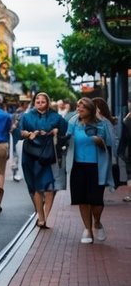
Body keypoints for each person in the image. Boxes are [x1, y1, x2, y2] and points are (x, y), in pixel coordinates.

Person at [65, 97, 114, 244]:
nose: (79, 109)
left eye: (83, 107)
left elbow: (110, 143)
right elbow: (67, 138)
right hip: (78, 165)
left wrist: (100, 142)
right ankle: (87, 229)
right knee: (82, 199)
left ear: (90, 110)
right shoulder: (73, 122)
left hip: (96, 166)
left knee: (96, 201)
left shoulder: (102, 123)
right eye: (78, 107)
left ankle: (97, 222)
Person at [17, 93, 68, 229]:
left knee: (49, 188)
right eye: (37, 101)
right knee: (35, 188)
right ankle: (40, 216)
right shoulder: (26, 116)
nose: (40, 103)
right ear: (34, 103)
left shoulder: (55, 116)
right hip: (30, 155)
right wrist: (29, 134)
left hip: (46, 155)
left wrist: (55, 131)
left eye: (43, 101)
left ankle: (46, 216)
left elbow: (65, 130)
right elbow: (19, 133)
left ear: (48, 102)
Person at [93, 97, 123, 189]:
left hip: (104, 153)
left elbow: (112, 141)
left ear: (99, 109)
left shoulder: (104, 122)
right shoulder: (104, 121)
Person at [10, 103, 27, 182]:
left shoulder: (12, 116)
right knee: (20, 156)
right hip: (22, 140)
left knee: (15, 156)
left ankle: (15, 173)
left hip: (14, 140)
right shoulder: (24, 116)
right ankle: (19, 173)